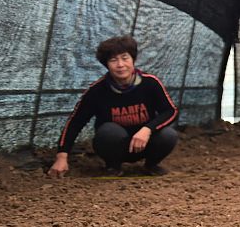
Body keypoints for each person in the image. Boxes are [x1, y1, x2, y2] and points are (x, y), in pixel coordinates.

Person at [48, 35, 179, 177]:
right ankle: (113, 166)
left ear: (133, 60)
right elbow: (75, 122)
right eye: (113, 60)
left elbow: (170, 111)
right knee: (108, 131)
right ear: (107, 65)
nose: (120, 65)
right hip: (115, 146)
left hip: (144, 144)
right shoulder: (97, 90)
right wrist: (61, 157)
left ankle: (151, 165)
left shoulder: (150, 83)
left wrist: (147, 129)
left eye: (125, 58)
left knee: (168, 135)